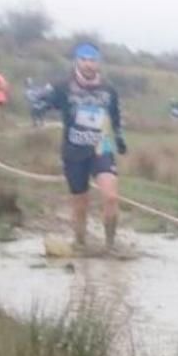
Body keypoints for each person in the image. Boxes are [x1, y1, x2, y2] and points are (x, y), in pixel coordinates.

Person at [40, 43, 127, 251]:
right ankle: (80, 243)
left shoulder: (108, 89)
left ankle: (110, 246)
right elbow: (44, 101)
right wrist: (40, 103)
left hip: (101, 148)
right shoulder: (63, 85)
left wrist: (120, 138)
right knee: (80, 203)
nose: (89, 65)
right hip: (74, 150)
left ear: (98, 63)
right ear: (76, 61)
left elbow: (115, 117)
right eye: (84, 60)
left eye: (93, 60)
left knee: (111, 197)